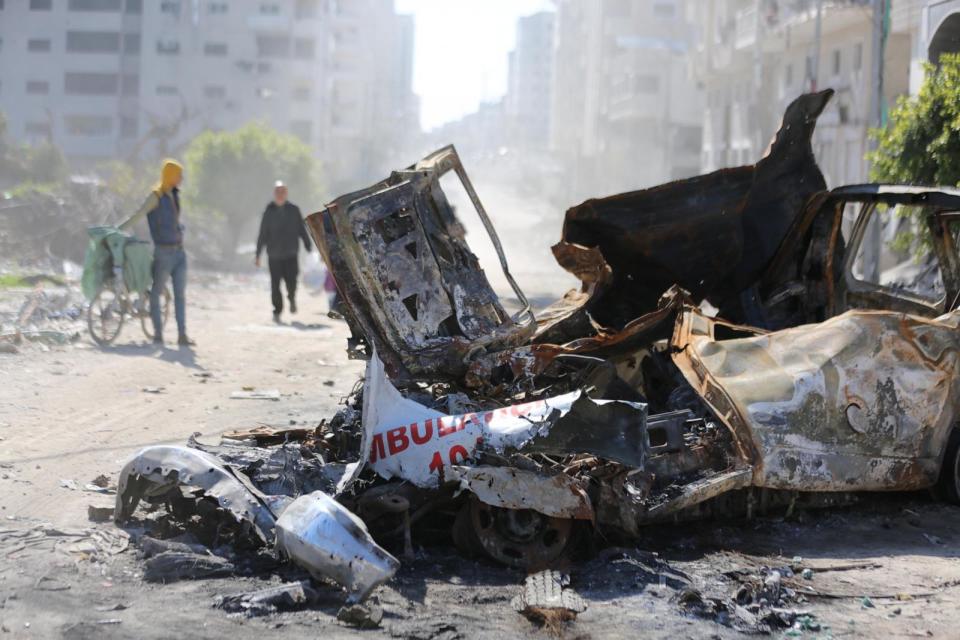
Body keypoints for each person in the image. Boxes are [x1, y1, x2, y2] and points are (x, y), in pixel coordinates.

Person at [120, 159, 194, 346]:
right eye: (179, 175)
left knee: (180, 295)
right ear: (170, 175)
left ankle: (182, 336)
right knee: (156, 293)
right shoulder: (155, 196)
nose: (181, 178)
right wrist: (119, 229)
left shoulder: (175, 196)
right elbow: (138, 214)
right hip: (163, 253)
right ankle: (158, 335)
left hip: (179, 253)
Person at [255, 181, 312, 322]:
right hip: (274, 255)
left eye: (283, 192)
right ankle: (277, 310)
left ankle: (291, 298)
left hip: (291, 253)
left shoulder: (294, 210)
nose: (280, 195)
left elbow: (301, 229)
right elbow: (262, 234)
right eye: (277, 192)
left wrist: (308, 244)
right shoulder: (268, 211)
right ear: (274, 194)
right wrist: (258, 254)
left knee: (292, 282)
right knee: (275, 285)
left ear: (286, 194)